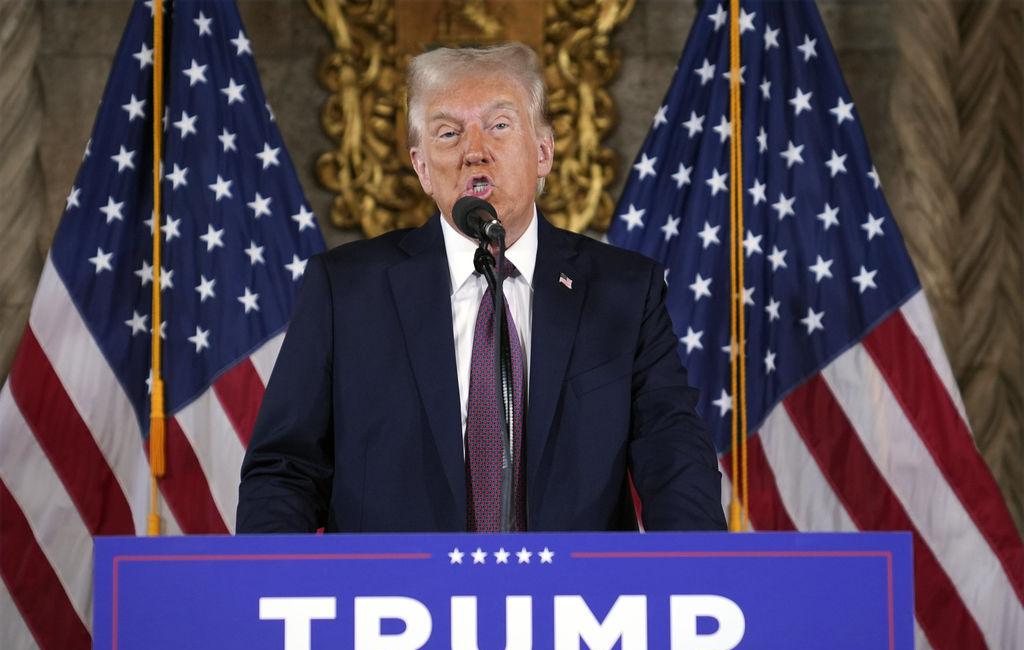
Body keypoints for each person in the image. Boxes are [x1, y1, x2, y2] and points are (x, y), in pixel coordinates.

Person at [236, 43, 726, 533]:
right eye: (448, 133)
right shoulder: (345, 290)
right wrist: (267, 589)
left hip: (572, 597)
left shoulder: (623, 289)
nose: (475, 151)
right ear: (422, 167)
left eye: (499, 125)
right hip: (394, 599)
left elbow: (674, 454)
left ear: (543, 153)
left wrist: (699, 576)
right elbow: (285, 470)